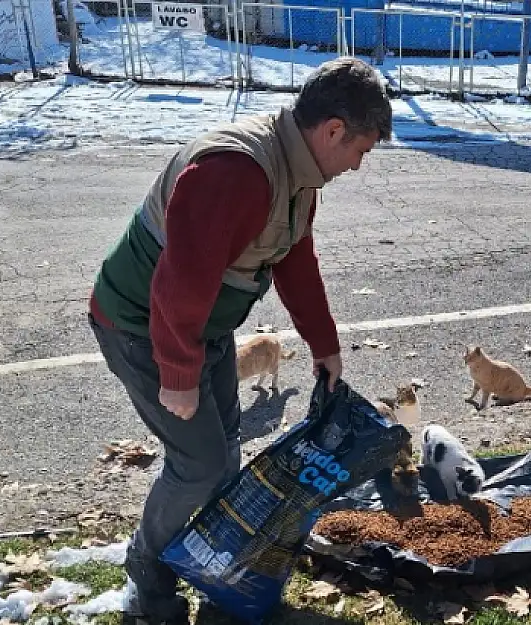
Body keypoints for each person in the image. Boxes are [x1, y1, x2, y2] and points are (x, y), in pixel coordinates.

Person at [86, 57, 393, 625]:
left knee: (226, 455)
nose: (356, 165)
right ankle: (147, 579)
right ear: (332, 131)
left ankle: (216, 574)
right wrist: (178, 373)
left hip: (205, 327)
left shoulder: (298, 176)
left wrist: (323, 343)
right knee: (199, 465)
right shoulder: (235, 170)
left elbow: (294, 259)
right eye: (360, 151)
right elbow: (177, 283)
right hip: (141, 324)